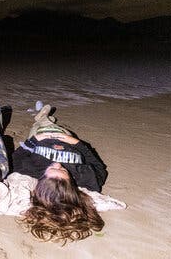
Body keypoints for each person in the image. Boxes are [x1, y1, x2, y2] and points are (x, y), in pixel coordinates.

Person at [12, 103, 107, 244]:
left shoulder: (31, 170)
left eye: (52, 169)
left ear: (42, 179)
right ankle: (45, 116)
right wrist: (77, 144)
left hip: (41, 135)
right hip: (66, 137)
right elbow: (99, 167)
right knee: (56, 126)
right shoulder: (84, 178)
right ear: (71, 183)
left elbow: (16, 158)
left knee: (43, 123)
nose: (58, 164)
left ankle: (43, 117)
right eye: (63, 170)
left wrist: (34, 140)